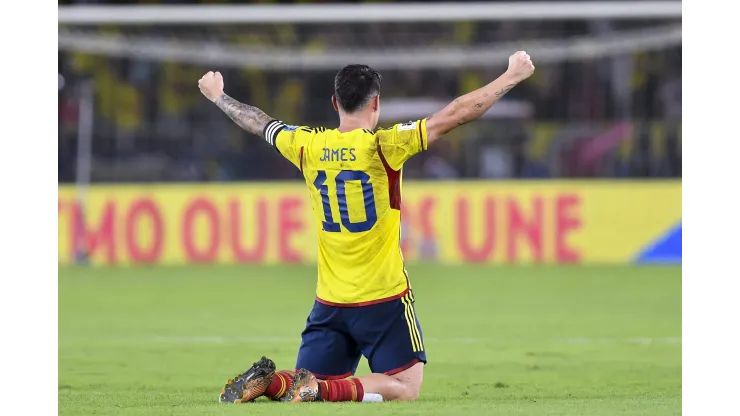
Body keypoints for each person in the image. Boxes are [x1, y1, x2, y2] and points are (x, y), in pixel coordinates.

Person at [197, 51, 535, 404]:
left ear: (334, 102)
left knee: (304, 382)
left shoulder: (308, 144)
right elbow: (455, 114)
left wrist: (218, 96)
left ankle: (271, 383)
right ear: (376, 102)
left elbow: (259, 122)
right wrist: (510, 76)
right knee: (404, 387)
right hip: (382, 299)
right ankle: (317, 389)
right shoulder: (384, 145)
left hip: (330, 301)